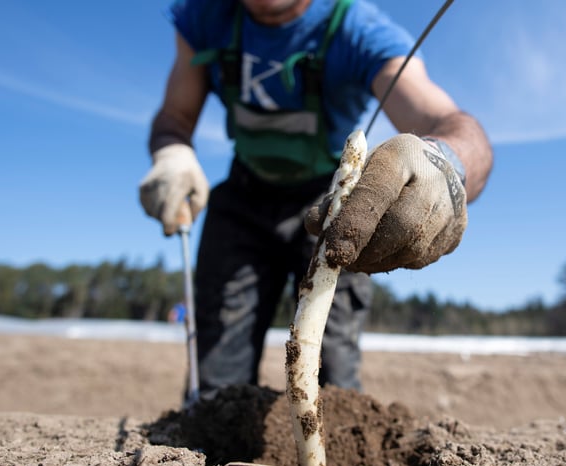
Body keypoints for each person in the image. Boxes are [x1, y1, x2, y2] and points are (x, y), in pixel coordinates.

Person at [139, 0, 493, 396]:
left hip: (333, 202)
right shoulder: (206, 17)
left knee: (334, 380)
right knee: (217, 383)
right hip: (243, 197)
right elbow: (175, 116)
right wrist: (171, 152)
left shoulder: (359, 30)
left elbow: (449, 123)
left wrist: (446, 164)